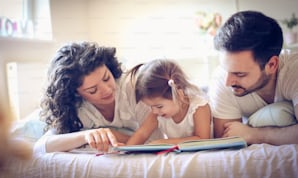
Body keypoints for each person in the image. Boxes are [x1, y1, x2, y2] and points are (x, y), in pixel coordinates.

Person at [33, 42, 162, 154]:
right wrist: (86, 135)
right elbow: (41, 147)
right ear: (76, 93)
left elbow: (156, 142)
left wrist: (113, 134)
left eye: (106, 78)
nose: (107, 90)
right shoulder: (76, 107)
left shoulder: (134, 89)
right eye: (92, 90)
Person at [209, 10, 298, 145]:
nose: (228, 82)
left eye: (240, 74)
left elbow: (244, 136)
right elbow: (228, 142)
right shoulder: (221, 79)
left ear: (272, 65)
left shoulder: (293, 70)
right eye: (225, 70)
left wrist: (254, 135)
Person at [126, 59, 212, 145]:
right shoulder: (157, 114)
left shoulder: (199, 107)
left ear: (178, 94)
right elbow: (142, 133)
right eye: (150, 106)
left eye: (159, 106)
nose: (154, 111)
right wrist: (126, 149)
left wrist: (164, 142)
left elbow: (202, 139)